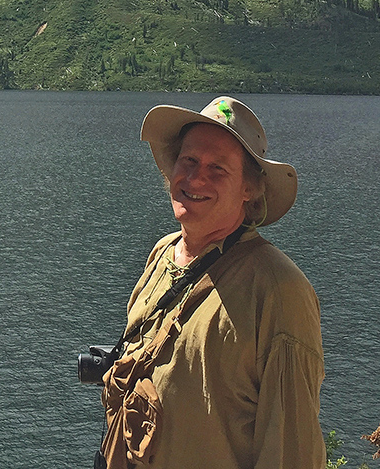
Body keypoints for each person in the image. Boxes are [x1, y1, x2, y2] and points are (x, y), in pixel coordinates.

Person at [98, 96, 325, 469]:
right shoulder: (164, 253)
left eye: (217, 168)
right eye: (188, 161)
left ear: (249, 189)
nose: (195, 178)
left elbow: (292, 452)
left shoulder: (279, 291)